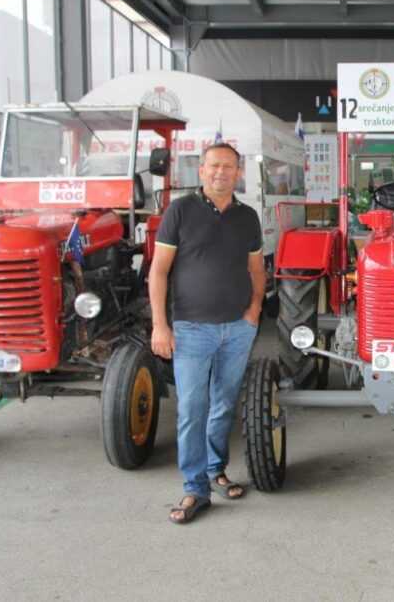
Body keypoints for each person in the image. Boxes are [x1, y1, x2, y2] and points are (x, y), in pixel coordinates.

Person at [149, 142, 266, 525]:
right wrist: (160, 325)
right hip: (192, 330)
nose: (221, 172)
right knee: (191, 409)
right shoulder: (180, 211)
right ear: (201, 171)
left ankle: (216, 470)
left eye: (229, 166)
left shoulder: (247, 217)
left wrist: (253, 311)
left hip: (238, 329)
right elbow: (158, 271)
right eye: (214, 165)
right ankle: (194, 488)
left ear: (238, 172)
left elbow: (257, 270)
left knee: (224, 405)